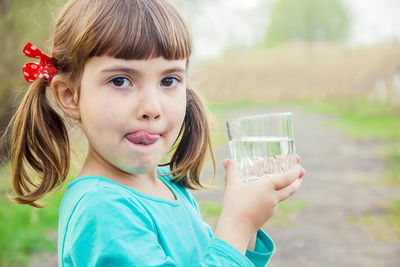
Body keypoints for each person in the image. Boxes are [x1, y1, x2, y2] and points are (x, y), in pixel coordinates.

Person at [7, 0, 305, 266]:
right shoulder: (103, 212)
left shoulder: (166, 186)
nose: (151, 107)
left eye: (169, 80)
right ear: (70, 95)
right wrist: (237, 225)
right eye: (121, 81)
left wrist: (249, 227)